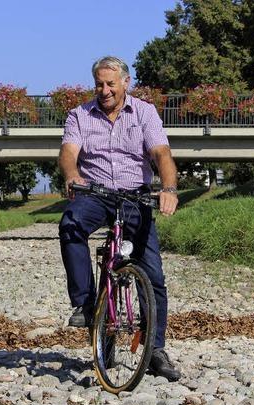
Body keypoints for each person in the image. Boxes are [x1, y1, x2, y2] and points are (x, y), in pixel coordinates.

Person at [58, 56, 181, 382]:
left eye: (111, 83)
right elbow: (69, 153)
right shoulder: (80, 115)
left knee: (153, 276)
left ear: (126, 83)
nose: (105, 89)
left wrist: (168, 188)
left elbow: (161, 154)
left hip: (135, 195)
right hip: (95, 193)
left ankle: (155, 350)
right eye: (99, 83)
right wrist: (72, 176)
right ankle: (86, 306)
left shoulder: (145, 113)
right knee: (70, 224)